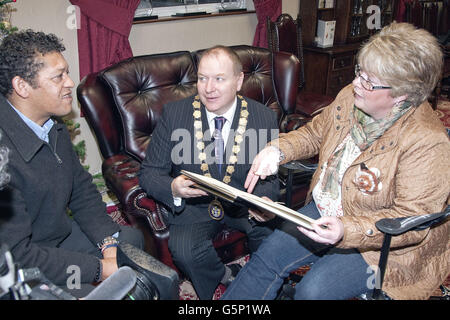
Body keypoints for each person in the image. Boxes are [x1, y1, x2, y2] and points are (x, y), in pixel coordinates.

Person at [221, 22, 450, 300]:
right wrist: (277, 150)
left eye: (369, 80)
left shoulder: (427, 142)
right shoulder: (350, 99)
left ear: (401, 94)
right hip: (329, 209)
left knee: (312, 291)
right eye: (359, 72)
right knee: (267, 257)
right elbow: (315, 134)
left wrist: (347, 229)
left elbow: (411, 219)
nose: (356, 83)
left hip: (383, 244)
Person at [0, 30, 144, 298]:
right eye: (58, 77)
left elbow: (81, 190)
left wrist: (108, 243)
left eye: (66, 72)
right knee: (82, 289)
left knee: (130, 244)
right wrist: (100, 269)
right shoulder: (2, 157)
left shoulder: (51, 126)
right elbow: (17, 255)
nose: (70, 83)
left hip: (56, 237)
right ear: (22, 87)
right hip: (26, 261)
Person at [138, 45, 280, 299]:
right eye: (202, 78)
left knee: (273, 238)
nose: (208, 88)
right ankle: (224, 275)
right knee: (182, 249)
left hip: (243, 203)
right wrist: (172, 188)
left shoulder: (263, 117)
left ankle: (258, 285)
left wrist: (265, 200)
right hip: (196, 207)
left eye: (219, 79)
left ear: (238, 81)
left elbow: (270, 179)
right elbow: (149, 172)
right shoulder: (175, 114)